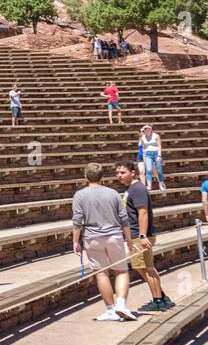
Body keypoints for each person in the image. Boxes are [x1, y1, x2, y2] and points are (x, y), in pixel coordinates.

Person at [71, 163, 137, 322]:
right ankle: (121, 304)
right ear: (102, 177)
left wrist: (75, 241)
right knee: (121, 271)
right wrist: (129, 240)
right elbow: (124, 219)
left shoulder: (80, 195)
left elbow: (77, 221)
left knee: (101, 273)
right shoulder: (113, 193)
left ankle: (110, 310)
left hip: (92, 237)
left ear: (85, 177)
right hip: (114, 235)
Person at [114, 162, 171, 311]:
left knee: (146, 268)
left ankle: (158, 301)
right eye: (118, 172)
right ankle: (162, 297)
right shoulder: (132, 189)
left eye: (122, 172)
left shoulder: (137, 189)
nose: (119, 175)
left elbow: (143, 213)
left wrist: (142, 234)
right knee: (142, 267)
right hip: (136, 234)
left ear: (133, 172)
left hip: (140, 235)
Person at [138, 124, 164, 191]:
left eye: (148, 129)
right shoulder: (143, 138)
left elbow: (159, 146)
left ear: (151, 130)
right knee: (148, 170)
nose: (147, 131)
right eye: (145, 130)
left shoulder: (156, 136)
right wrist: (144, 157)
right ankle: (149, 186)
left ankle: (161, 184)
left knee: (159, 171)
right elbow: (143, 148)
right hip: (148, 154)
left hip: (156, 153)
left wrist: (159, 155)